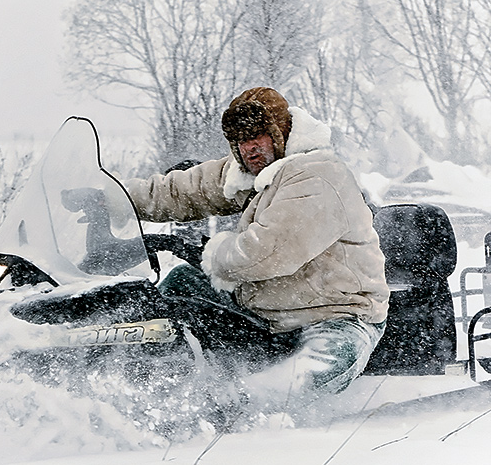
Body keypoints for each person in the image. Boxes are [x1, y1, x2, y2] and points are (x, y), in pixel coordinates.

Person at [123, 87, 389, 422]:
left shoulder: (318, 174)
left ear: (281, 134)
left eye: (259, 136)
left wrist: (215, 251)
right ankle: (139, 374)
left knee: (289, 385)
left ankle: (218, 416)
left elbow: (267, 253)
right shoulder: (251, 172)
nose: (250, 147)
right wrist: (115, 198)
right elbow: (180, 191)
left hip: (336, 317)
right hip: (264, 317)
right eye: (240, 139)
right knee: (180, 284)